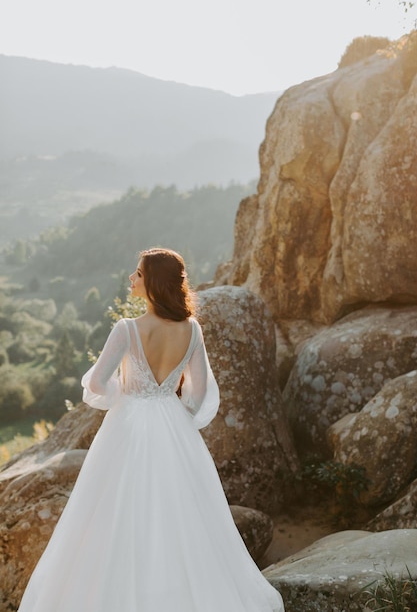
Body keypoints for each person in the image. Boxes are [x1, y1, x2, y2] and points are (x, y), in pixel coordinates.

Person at [18, 248, 284, 612]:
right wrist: (175, 416)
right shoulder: (191, 330)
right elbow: (201, 390)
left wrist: (122, 394)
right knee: (181, 518)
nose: (132, 278)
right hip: (172, 425)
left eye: (138, 274)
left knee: (113, 514)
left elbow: (96, 383)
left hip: (127, 426)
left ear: (154, 283)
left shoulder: (127, 329)